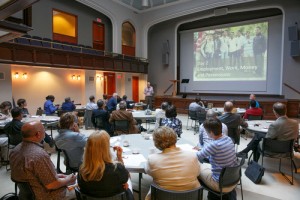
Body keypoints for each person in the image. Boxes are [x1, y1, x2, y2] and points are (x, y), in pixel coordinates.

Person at [10, 121, 76, 199]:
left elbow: (31, 176)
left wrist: (56, 175)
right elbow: (52, 185)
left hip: (26, 196)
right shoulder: (39, 155)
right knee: (80, 189)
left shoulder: (15, 150)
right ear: (38, 134)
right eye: (44, 130)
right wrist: (68, 179)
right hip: (45, 196)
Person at [145, 126, 201, 200]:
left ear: (156, 143)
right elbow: (198, 173)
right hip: (191, 195)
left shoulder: (152, 159)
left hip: (163, 196)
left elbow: (147, 171)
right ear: (175, 138)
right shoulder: (192, 156)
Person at [77, 130, 133, 199]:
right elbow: (127, 177)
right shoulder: (117, 169)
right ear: (105, 149)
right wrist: (119, 158)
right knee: (128, 183)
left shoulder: (82, 170)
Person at [197, 118, 238, 194]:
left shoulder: (213, 145)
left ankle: (206, 196)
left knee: (197, 171)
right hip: (234, 179)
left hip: (220, 184)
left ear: (211, 133)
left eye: (206, 132)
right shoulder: (229, 139)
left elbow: (197, 157)